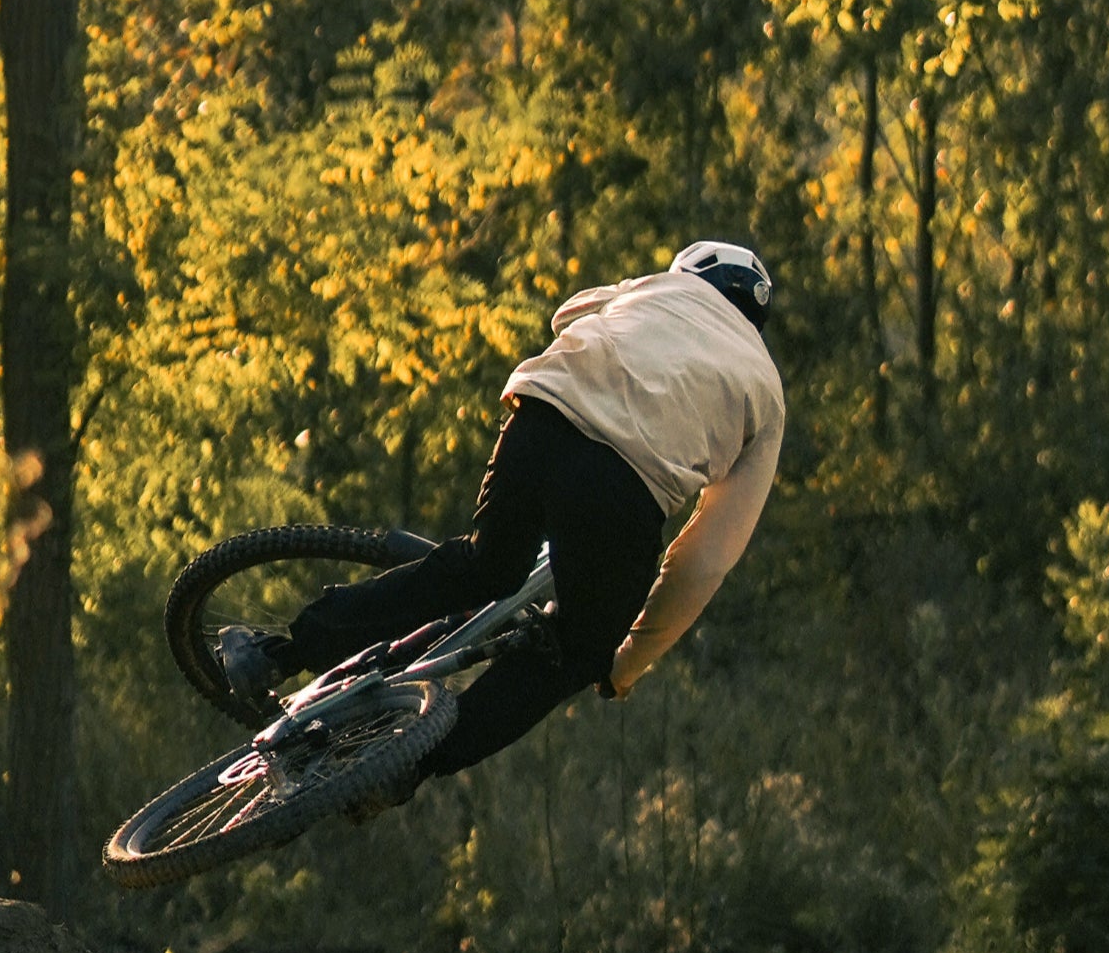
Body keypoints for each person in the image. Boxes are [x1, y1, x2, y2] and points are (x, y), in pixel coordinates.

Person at [219, 239, 786, 806]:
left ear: (692, 273)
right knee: (573, 651)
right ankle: (409, 766)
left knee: (483, 565)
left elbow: (567, 314)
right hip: (626, 490)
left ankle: (277, 655)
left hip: (544, 417)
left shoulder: (654, 289)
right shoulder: (764, 390)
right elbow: (706, 558)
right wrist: (625, 662)